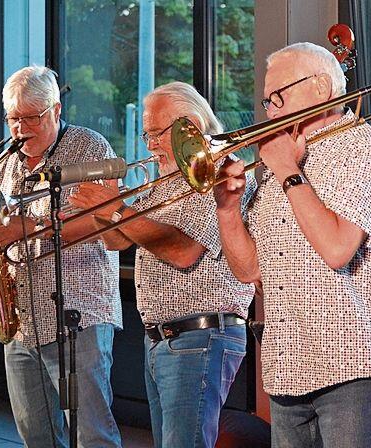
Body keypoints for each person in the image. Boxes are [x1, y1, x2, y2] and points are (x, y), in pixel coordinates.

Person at [214, 42, 371, 447]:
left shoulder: (368, 150)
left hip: (351, 363)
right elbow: (250, 271)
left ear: (321, 88)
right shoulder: (273, 166)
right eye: (267, 101)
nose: (270, 111)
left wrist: (287, 169)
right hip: (287, 363)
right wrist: (228, 210)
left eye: (279, 97)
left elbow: (337, 248)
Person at [68, 81, 257, 448]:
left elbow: (183, 251)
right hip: (163, 337)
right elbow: (118, 240)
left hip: (200, 334)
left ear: (191, 126)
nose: (149, 144)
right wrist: (101, 211)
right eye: (146, 133)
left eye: (156, 133)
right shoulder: (166, 181)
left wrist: (117, 208)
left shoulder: (218, 174)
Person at [0, 66, 122, 448]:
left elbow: (98, 219)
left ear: (56, 110)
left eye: (31, 118)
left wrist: (23, 228)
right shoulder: (1, 167)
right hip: (21, 321)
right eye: (13, 119)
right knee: (35, 436)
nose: (20, 129)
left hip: (79, 315)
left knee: (92, 433)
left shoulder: (89, 147)